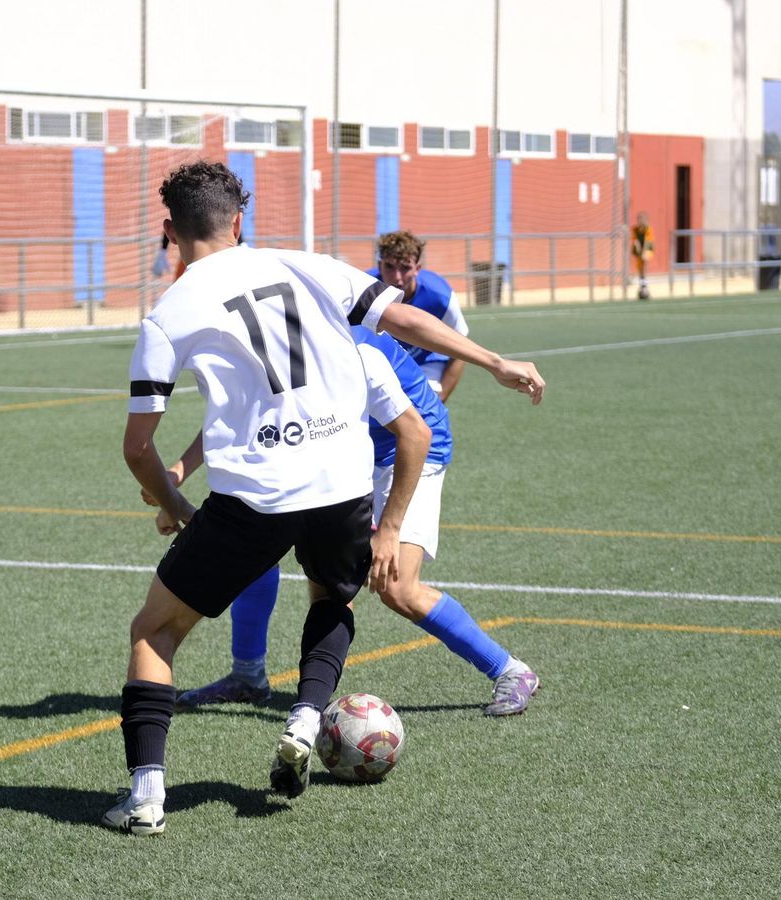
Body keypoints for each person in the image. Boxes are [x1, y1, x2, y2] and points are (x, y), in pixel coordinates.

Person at [108, 161, 545, 836]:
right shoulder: (310, 265)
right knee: (331, 597)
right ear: (240, 221)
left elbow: (138, 448)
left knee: (156, 631)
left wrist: (176, 502)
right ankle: (302, 713)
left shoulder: (168, 315)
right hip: (341, 483)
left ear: (169, 231)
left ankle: (145, 797)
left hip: (258, 494)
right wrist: (496, 363)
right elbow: (400, 319)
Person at [173, 323, 540, 717]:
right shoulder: (277, 347)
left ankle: (510, 670)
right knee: (259, 537)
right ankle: (247, 676)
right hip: (341, 450)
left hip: (411, 449)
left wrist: (389, 530)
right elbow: (237, 415)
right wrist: (176, 472)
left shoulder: (356, 350)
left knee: (398, 588)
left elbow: (415, 432)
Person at [368, 230, 469, 401]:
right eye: (389, 267)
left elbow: (461, 349)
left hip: (426, 362)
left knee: (422, 410)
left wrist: (441, 397)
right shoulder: (364, 291)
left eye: (405, 268)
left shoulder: (440, 297)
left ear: (417, 268)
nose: (397, 278)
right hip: (381, 364)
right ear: (379, 266)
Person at [631, 212, 654, 300]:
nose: (640, 221)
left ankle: (644, 287)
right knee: (640, 269)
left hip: (647, 248)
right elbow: (635, 241)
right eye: (639, 219)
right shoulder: (635, 229)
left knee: (644, 264)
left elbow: (648, 242)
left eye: (642, 219)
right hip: (639, 250)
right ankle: (642, 286)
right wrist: (638, 250)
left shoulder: (648, 229)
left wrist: (643, 252)